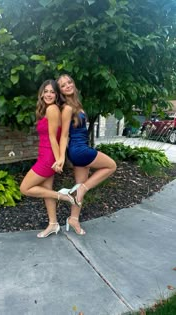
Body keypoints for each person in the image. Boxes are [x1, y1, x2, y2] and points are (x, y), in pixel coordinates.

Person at [56, 74, 117, 235]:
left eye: (69, 82)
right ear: (60, 91)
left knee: (79, 186)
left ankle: (73, 219)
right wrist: (62, 157)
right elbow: (63, 135)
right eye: (63, 85)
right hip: (79, 149)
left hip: (79, 149)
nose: (68, 85)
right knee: (111, 165)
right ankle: (83, 188)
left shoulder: (75, 104)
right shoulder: (68, 108)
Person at [19, 79, 75, 238]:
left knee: (24, 188)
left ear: (57, 95)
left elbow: (53, 137)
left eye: (52, 92)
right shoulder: (48, 110)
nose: (49, 94)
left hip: (48, 156)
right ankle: (53, 224)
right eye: (46, 91)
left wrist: (58, 159)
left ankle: (63, 196)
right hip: (45, 154)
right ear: (41, 93)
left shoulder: (52, 109)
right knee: (46, 191)